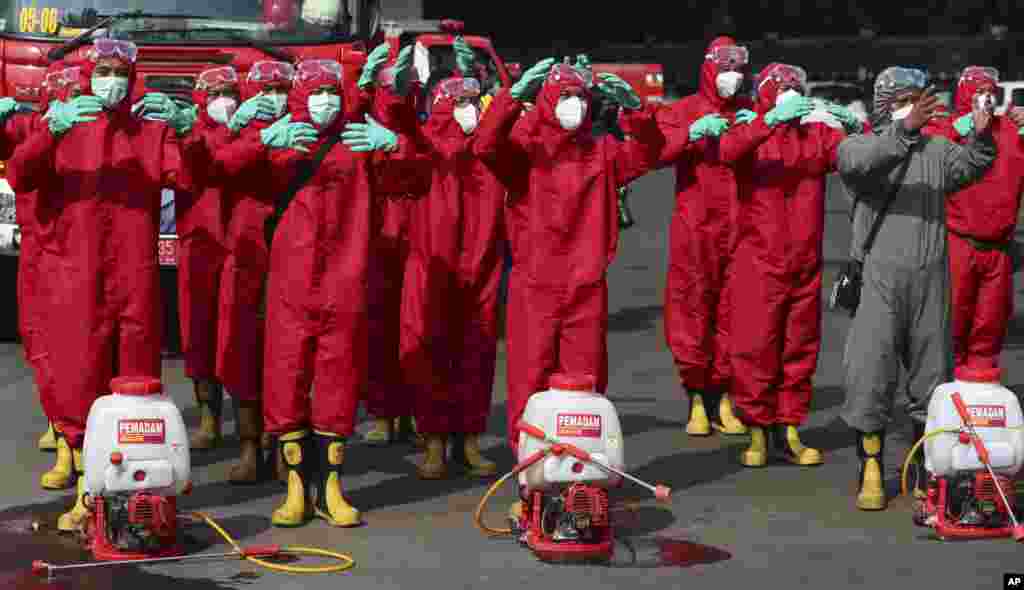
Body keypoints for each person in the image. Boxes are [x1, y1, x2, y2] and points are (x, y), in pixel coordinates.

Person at [6, 38, 189, 531]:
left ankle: (137, 496)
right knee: (77, 378)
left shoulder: (152, 128)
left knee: (136, 386)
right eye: (104, 71)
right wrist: (49, 129)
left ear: (133, 80)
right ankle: (89, 493)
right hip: (77, 273)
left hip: (134, 276)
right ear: (89, 76)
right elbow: (21, 173)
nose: (113, 82)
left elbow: (187, 176)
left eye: (121, 74)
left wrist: (190, 129)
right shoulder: (66, 122)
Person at [473, 60, 665, 523]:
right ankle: (530, 481)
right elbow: (484, 145)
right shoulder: (525, 150)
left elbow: (653, 151)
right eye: (563, 98)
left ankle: (582, 483)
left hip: (585, 287)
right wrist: (511, 96)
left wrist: (636, 110)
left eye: (580, 97)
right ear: (545, 101)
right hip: (534, 286)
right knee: (528, 382)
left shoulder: (602, 153)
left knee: (586, 389)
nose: (573, 106)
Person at [261, 57, 424, 528]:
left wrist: (394, 143)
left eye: (332, 92)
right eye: (315, 92)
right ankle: (295, 488)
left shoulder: (360, 141)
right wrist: (256, 140)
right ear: (298, 95)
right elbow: (221, 172)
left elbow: (417, 178)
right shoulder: (283, 141)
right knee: (287, 377)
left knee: (338, 380)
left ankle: (331, 487)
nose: (325, 101)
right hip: (292, 282)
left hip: (346, 279)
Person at [837, 67, 996, 511]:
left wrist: (982, 138)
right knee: (870, 374)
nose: (920, 106)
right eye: (909, 98)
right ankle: (871, 467)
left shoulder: (937, 148)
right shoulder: (860, 144)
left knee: (933, 379)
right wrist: (904, 130)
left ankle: (928, 470)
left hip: (930, 277)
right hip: (879, 279)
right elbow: (857, 165)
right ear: (887, 103)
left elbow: (969, 167)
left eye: (921, 97)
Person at [718, 63, 861, 467]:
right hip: (758, 262)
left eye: (797, 87)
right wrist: (768, 120)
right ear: (765, 93)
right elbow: (727, 152)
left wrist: (855, 128)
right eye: (782, 87)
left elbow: (859, 160)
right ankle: (758, 431)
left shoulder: (816, 138)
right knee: (755, 347)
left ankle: (789, 428)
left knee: (799, 348)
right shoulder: (751, 131)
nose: (792, 94)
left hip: (804, 263)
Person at [173, 61, 292, 469]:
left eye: (232, 94)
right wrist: (231, 131)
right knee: (209, 335)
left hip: (257, 249)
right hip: (207, 244)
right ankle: (218, 423)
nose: (227, 102)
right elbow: (199, 171)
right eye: (217, 95)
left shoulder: (289, 131)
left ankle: (277, 443)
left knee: (267, 348)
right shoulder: (200, 135)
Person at [400, 72, 505, 480]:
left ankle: (470, 440)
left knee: (476, 353)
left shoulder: (488, 149)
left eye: (474, 102)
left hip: (481, 260)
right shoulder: (426, 146)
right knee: (431, 352)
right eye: (460, 102)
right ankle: (434, 442)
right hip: (433, 262)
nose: (470, 110)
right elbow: (405, 135)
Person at [655, 36, 753, 438]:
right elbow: (656, 152)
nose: (733, 77)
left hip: (742, 227)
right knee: (692, 311)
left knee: (736, 312)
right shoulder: (684, 111)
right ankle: (697, 396)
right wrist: (692, 133)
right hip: (696, 227)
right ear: (710, 68)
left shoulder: (749, 113)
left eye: (738, 69)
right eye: (726, 68)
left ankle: (726, 397)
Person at [0, 63, 71, 459]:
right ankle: (56, 423)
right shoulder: (33, 127)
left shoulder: (95, 129)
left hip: (76, 252)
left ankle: (70, 436)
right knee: (40, 340)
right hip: (38, 249)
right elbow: (17, 169)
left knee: (76, 347)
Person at [356, 44, 425, 446]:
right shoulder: (363, 120)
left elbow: (429, 157)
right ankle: (383, 412)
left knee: (417, 324)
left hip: (415, 225)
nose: (398, 94)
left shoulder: (419, 123)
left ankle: (416, 410)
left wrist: (398, 144)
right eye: (391, 88)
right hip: (376, 226)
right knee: (379, 323)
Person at [942, 66, 1024, 372]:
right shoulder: (951, 130)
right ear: (964, 94)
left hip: (999, 248)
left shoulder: (1011, 130)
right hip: (959, 243)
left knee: (990, 324)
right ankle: (947, 389)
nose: (986, 98)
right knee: (953, 321)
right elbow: (921, 147)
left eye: (990, 91)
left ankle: (981, 387)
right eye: (978, 91)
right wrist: (958, 129)